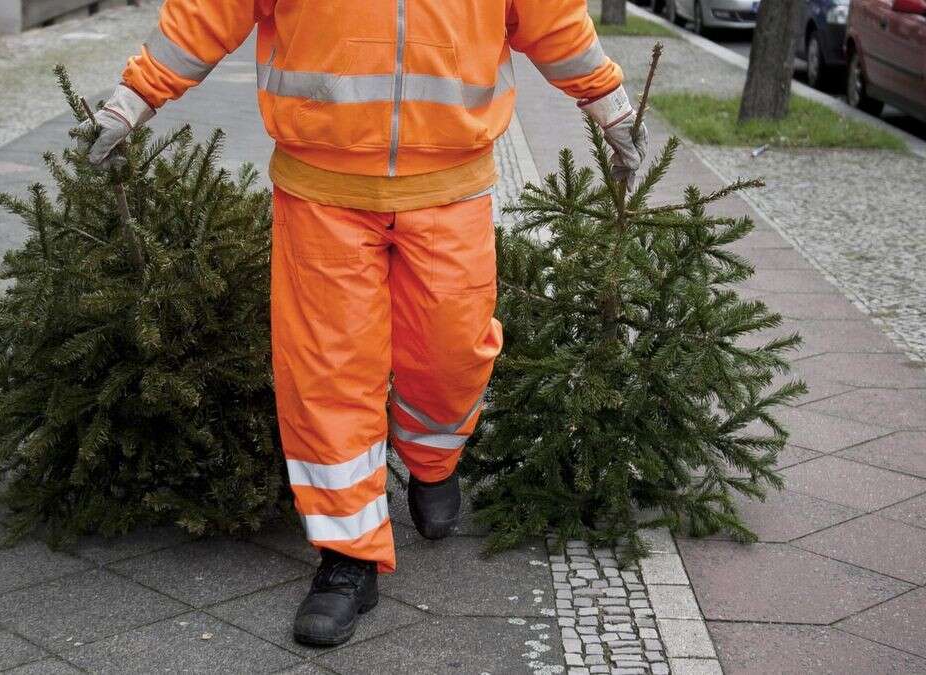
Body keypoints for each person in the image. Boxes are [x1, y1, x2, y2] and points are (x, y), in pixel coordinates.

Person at [80, 0, 647, 647]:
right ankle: (348, 555)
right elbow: (210, 9)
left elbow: (551, 16)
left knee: (453, 352)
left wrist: (608, 101)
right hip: (322, 190)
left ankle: (434, 459)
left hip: (451, 185)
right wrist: (135, 95)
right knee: (327, 374)